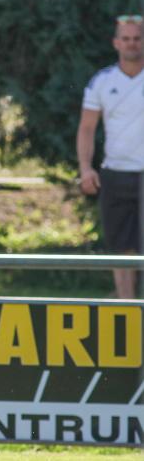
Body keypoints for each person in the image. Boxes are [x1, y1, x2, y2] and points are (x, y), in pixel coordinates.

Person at [77, 15, 143, 299]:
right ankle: (127, 308)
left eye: (137, 38)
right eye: (126, 39)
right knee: (120, 248)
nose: (131, 44)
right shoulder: (101, 82)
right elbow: (87, 128)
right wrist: (85, 168)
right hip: (115, 173)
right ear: (116, 43)